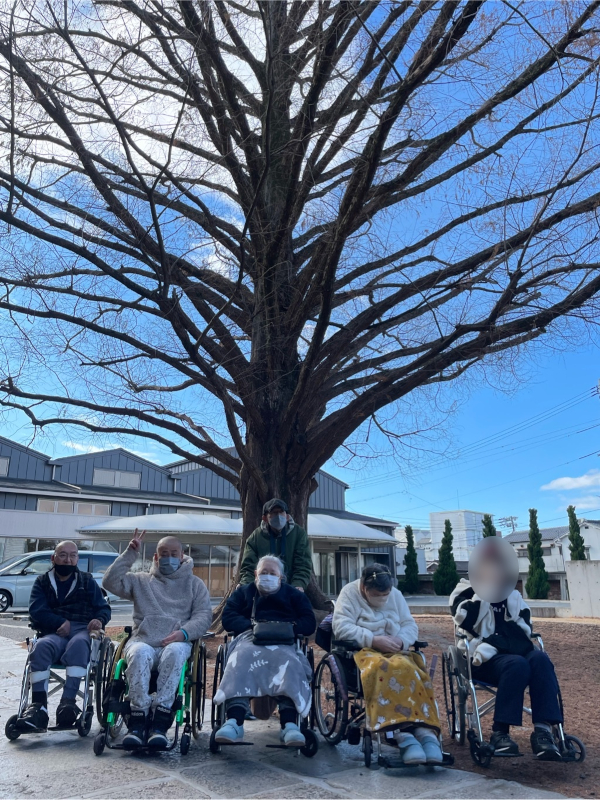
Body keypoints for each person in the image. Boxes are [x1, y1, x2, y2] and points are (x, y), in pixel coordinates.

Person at [102, 529, 212, 750]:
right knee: (138, 653)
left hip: (177, 641)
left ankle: (161, 721)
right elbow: (110, 582)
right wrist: (130, 554)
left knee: (175, 652)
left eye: (173, 553)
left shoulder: (195, 584)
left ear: (182, 556)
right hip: (143, 640)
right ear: (156, 556)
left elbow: (203, 616)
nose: (168, 558)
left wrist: (184, 633)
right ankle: (137, 720)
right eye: (164, 554)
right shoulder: (141, 581)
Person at [333, 564, 443, 765]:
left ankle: (425, 733)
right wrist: (373, 639)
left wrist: (401, 640)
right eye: (377, 595)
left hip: (396, 648)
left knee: (413, 670)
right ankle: (403, 734)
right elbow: (341, 627)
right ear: (364, 587)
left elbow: (409, 625)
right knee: (388, 669)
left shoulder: (396, 595)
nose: (383, 599)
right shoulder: (349, 593)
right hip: (364, 650)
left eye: (386, 594)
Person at [450, 575, 564, 761]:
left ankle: (543, 731)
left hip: (514, 650)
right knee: (517, 665)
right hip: (482, 657)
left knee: (541, 659)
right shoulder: (464, 591)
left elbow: (526, 629)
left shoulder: (513, 596)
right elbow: (464, 619)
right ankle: (500, 732)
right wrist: (484, 593)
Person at [213, 555, 316, 746]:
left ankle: (289, 725)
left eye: (272, 573)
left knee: (290, 663)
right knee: (240, 659)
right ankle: (234, 721)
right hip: (249, 638)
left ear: (281, 577)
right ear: (255, 574)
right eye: (263, 572)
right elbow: (228, 617)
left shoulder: (294, 595)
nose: (267, 576)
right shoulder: (244, 592)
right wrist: (253, 626)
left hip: (284, 641)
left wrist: (288, 628)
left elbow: (309, 622)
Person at [17, 540, 111, 732]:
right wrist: (58, 622)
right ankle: (39, 708)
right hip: (55, 632)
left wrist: (99, 620)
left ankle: (68, 703)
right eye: (63, 555)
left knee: (79, 644)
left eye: (72, 556)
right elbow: (37, 610)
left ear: (77, 559)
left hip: (82, 630)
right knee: (40, 647)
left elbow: (103, 608)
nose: (68, 560)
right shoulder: (42, 582)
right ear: (53, 558)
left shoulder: (87, 581)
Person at [238, 498, 312, 592]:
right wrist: (245, 584)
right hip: (263, 589)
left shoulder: (298, 534)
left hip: (290, 589)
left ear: (287, 516)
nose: (278, 516)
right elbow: (248, 567)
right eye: (274, 513)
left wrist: (298, 584)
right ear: (265, 518)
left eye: (281, 512)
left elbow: (303, 564)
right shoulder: (255, 537)